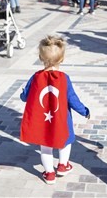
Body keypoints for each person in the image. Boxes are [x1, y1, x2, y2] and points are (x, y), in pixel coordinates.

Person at [20, 35, 90, 185]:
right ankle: (63, 165)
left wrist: (22, 95)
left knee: (45, 147)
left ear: (40, 57)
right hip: (62, 120)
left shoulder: (35, 77)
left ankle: (49, 174)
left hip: (42, 121)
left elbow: (26, 96)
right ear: (62, 59)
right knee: (66, 141)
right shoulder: (64, 78)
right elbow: (73, 99)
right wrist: (84, 111)